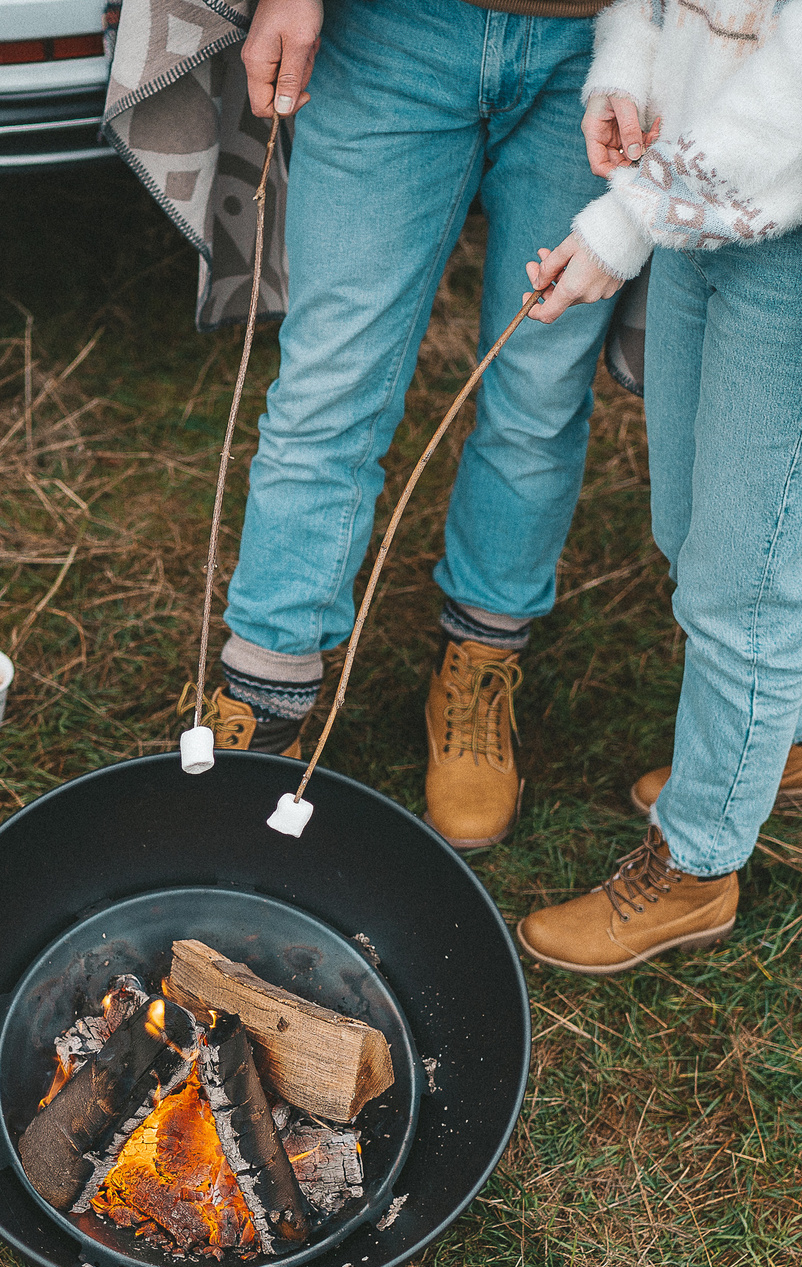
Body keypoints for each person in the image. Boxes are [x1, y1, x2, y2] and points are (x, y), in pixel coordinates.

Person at [202, 0, 619, 853]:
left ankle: (480, 657)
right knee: (331, 378)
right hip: (394, 27)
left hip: (607, 46)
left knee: (539, 389)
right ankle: (268, 683)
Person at [504, 0, 802, 974]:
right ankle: (790, 733)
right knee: (689, 528)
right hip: (690, 207)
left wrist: (624, 222)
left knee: (740, 580)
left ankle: (699, 863)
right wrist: (627, 73)